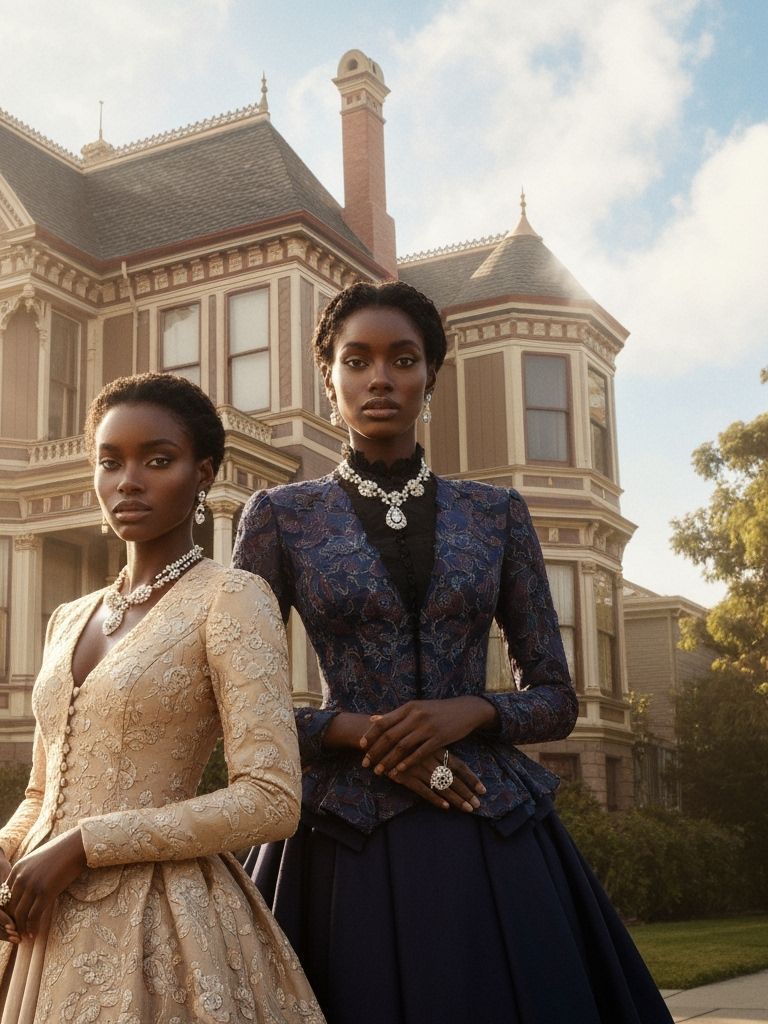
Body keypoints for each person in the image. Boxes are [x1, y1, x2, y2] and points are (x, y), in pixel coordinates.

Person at [232, 281, 672, 1024]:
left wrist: (468, 712)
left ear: (430, 375)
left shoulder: (496, 514)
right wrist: (357, 732)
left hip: (486, 818)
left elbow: (556, 697)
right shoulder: (279, 517)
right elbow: (237, 703)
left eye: (403, 359)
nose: (380, 378)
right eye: (358, 359)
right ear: (328, 378)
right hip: (342, 834)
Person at [0, 373, 325, 1024]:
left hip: (159, 921)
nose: (129, 480)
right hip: (34, 919)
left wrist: (84, 845)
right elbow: (44, 792)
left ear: (202, 474)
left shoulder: (231, 598)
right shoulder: (69, 617)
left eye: (158, 460)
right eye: (109, 461)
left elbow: (270, 801)